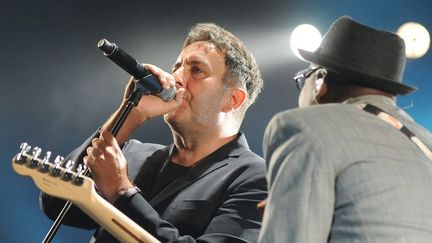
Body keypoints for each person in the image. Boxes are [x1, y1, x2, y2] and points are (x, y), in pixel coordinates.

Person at [41, 23, 267, 243]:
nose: (177, 77)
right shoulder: (131, 155)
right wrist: (131, 112)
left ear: (233, 100)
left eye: (197, 70)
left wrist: (122, 193)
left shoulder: (256, 178)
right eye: (176, 67)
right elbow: (56, 203)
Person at [259, 16, 432, 243]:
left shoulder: (302, 127)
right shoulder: (426, 142)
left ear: (320, 81)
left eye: (305, 77)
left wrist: (282, 218)